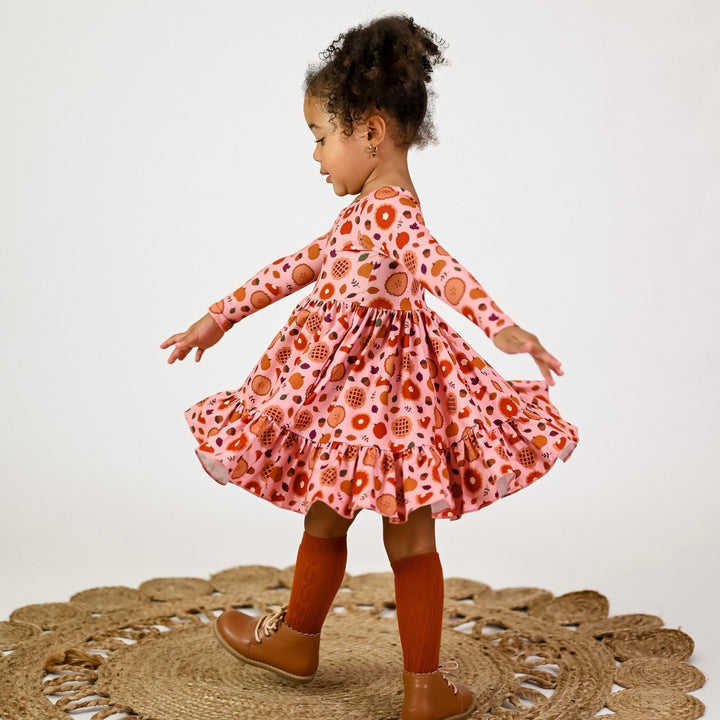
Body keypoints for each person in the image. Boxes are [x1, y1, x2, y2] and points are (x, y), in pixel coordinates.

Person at [161, 15, 577, 720]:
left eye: (323, 137)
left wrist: (502, 327)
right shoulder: (358, 218)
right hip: (350, 400)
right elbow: (297, 266)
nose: (317, 155)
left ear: (372, 133)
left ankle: (410, 680)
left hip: (390, 401)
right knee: (342, 519)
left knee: (389, 529)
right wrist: (220, 314)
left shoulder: (390, 214)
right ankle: (310, 643)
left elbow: (441, 269)